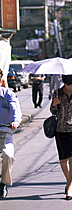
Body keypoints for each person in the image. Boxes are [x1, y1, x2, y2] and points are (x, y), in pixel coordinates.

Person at [0, 69, 22, 198]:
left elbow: (15, 109)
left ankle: (3, 183)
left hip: (5, 131)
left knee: (7, 155)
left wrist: (15, 121)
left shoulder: (8, 94)